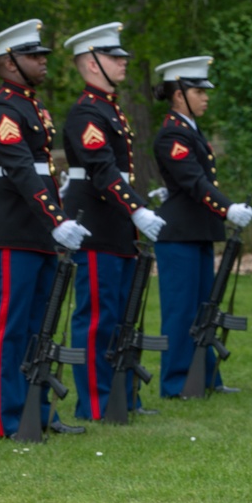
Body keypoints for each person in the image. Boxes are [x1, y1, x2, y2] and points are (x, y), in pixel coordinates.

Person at [0, 19, 91, 439]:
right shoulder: (0, 110)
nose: (43, 61)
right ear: (9, 62)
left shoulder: (31, 106)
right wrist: (57, 219)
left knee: (40, 326)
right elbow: (21, 169)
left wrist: (54, 218)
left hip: (37, 228)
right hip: (11, 230)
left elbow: (39, 171)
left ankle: (37, 412)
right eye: (33, 55)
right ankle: (5, 419)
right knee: (10, 327)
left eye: (42, 54)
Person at [61, 22, 166, 420]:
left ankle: (124, 397)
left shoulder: (108, 109)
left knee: (123, 315)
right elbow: (102, 170)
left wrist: (133, 213)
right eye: (114, 57)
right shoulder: (87, 112)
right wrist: (137, 209)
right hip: (98, 225)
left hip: (116, 224)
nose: (123, 62)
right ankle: (96, 403)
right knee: (98, 319)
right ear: (91, 63)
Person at [151, 56, 252, 398]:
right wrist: (228, 209)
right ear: (179, 95)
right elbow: (194, 181)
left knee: (204, 310)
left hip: (196, 231)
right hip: (179, 235)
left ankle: (206, 377)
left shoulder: (189, 129)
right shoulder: (172, 134)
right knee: (181, 312)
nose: (205, 97)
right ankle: (176, 382)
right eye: (199, 91)